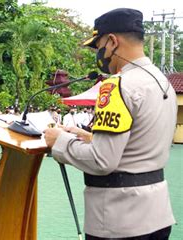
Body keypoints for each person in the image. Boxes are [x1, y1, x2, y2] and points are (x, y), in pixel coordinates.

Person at [44, 8, 176, 239]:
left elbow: (101, 160)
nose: (98, 54)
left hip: (119, 219)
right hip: (157, 215)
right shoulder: (162, 82)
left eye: (98, 46)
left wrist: (60, 141)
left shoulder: (117, 86)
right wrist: (91, 138)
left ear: (112, 42)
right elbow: (139, 143)